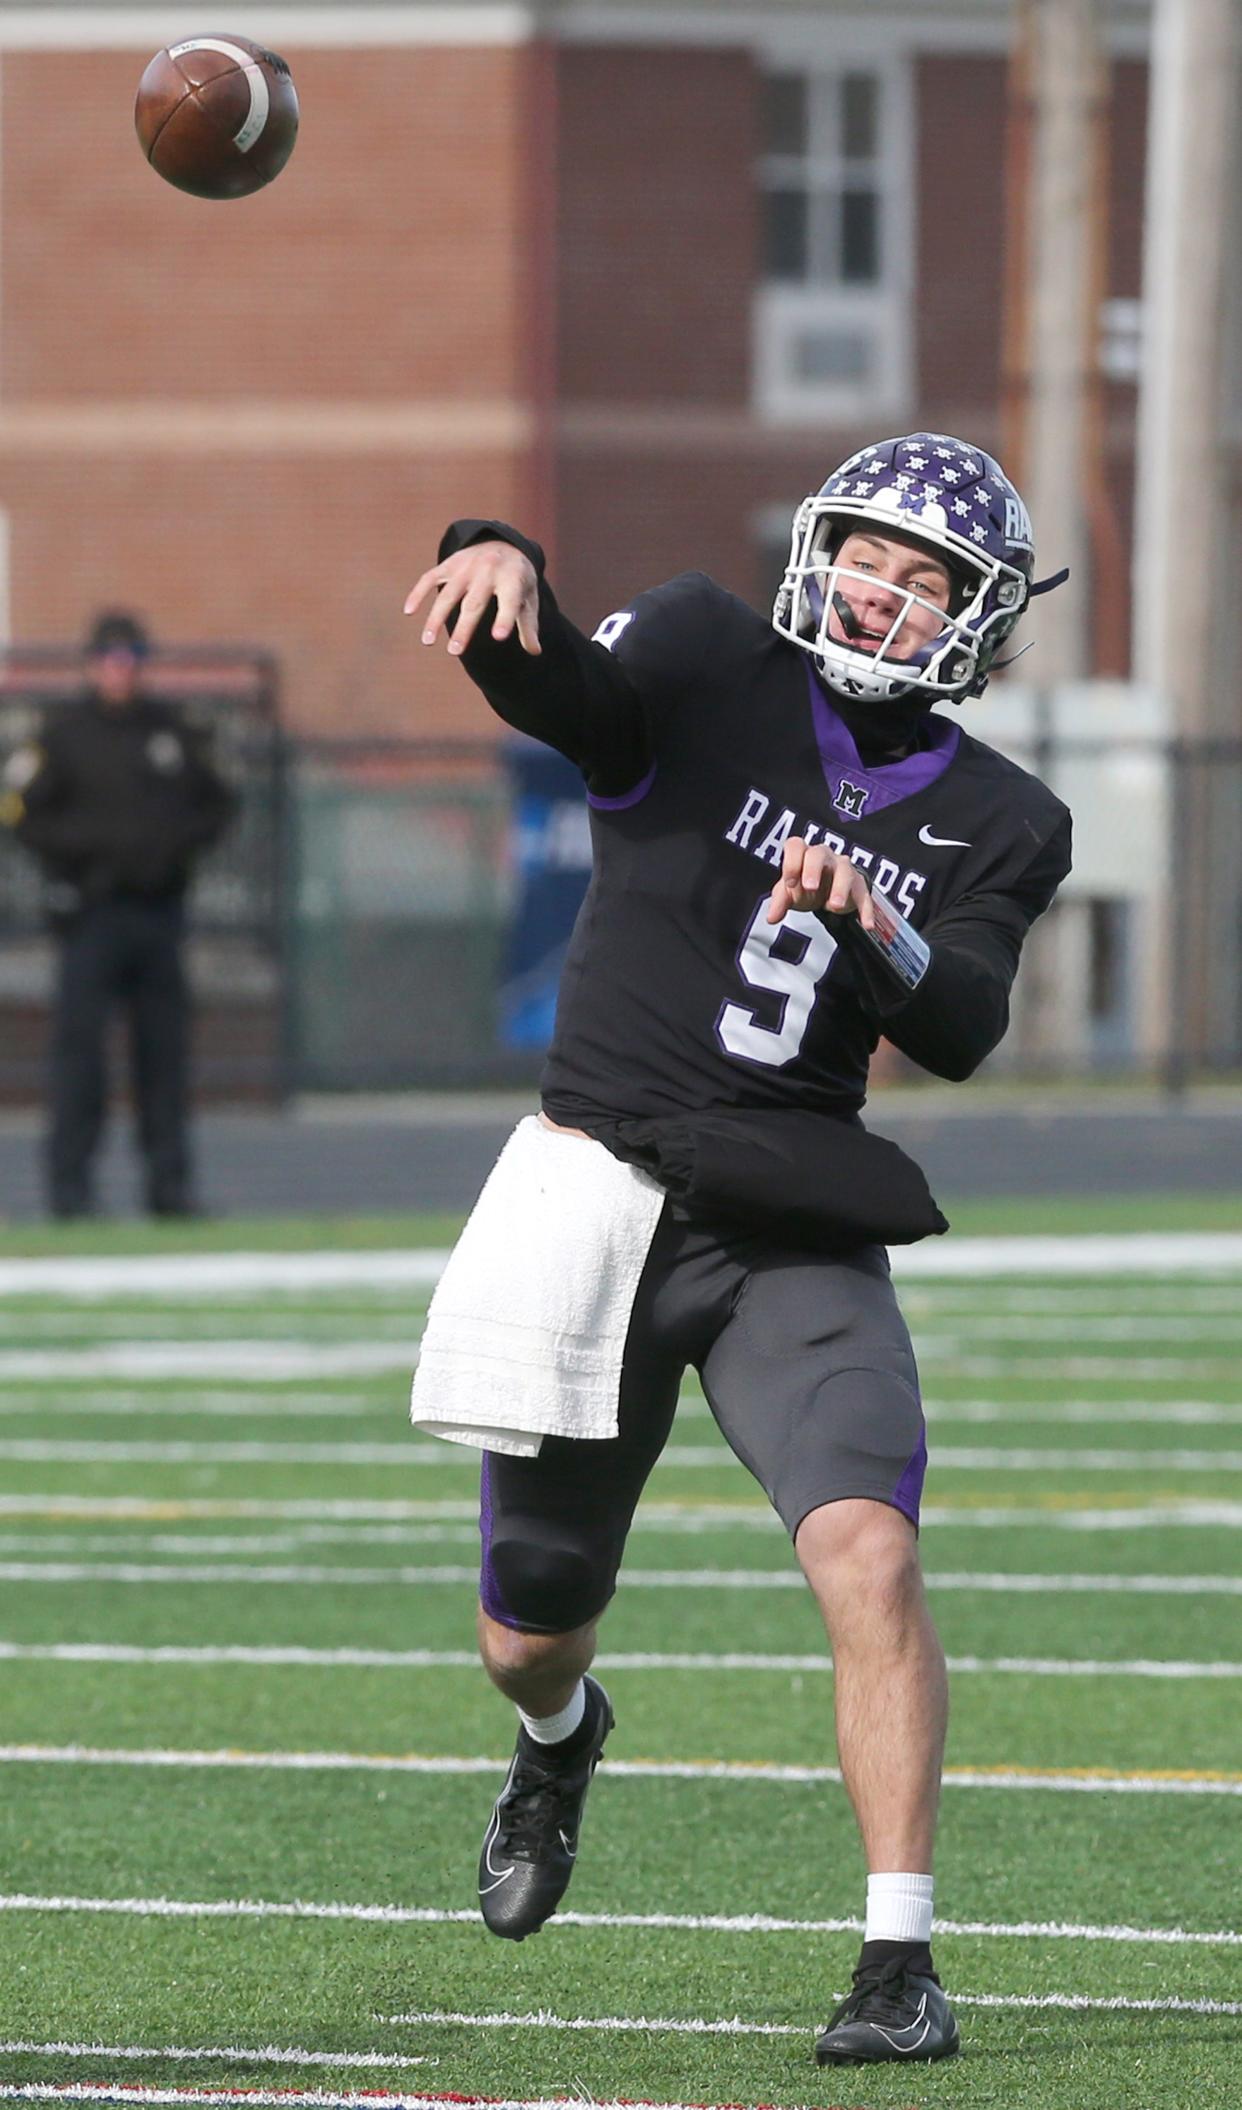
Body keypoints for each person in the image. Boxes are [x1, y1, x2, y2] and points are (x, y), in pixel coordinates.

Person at [405, 432, 1072, 2067]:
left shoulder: (1000, 815)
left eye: (927, 582)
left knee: (870, 1552)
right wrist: (499, 562)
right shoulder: (707, 648)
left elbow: (969, 1023)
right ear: (814, 550)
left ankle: (897, 1964)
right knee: (527, 1626)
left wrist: (880, 921)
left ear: (975, 622)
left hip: (789, 1226)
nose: (885, 594)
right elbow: (568, 694)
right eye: (869, 556)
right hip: (598, 1193)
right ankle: (560, 1741)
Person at [0, 611, 236, 1218]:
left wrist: (172, 847)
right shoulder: (64, 734)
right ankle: (70, 1191)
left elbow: (219, 802)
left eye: (130, 658)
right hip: (91, 916)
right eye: (109, 659)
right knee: (80, 1059)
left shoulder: (173, 733)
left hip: (158, 915)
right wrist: (77, 854)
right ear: (91, 664)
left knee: (164, 1058)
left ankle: (169, 1189)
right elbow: (19, 808)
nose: (119, 671)